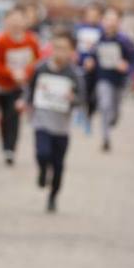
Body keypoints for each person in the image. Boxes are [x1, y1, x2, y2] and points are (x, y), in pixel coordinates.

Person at [18, 29, 85, 213]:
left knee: (59, 165)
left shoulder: (74, 74)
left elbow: (82, 98)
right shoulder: (41, 68)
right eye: (56, 48)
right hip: (42, 119)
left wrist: (73, 99)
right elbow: (30, 89)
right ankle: (41, 170)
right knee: (42, 153)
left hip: (62, 126)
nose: (59, 53)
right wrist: (25, 103)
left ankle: (53, 196)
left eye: (64, 49)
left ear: (72, 51)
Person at [0, 5, 40, 165]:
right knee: (4, 116)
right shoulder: (2, 41)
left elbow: (37, 62)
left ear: (25, 21)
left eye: (19, 20)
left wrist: (25, 73)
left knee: (14, 115)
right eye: (13, 20)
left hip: (20, 86)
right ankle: (5, 143)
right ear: (7, 21)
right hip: (3, 86)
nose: (16, 23)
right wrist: (11, 73)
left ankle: (11, 149)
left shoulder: (31, 41)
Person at [82, 6, 134, 152]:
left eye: (114, 20)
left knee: (115, 109)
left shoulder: (124, 41)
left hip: (119, 81)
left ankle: (113, 119)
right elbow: (92, 55)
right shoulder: (99, 38)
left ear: (119, 22)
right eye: (107, 19)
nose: (110, 23)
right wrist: (89, 62)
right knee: (105, 104)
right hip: (103, 78)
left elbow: (133, 61)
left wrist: (126, 67)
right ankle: (105, 138)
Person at [74, 2, 104, 134]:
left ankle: (89, 117)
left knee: (93, 97)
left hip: (96, 69)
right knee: (82, 92)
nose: (92, 17)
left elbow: (103, 50)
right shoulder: (79, 29)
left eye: (95, 15)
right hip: (81, 67)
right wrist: (79, 59)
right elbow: (74, 47)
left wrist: (94, 61)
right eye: (90, 14)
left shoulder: (102, 31)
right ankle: (81, 113)